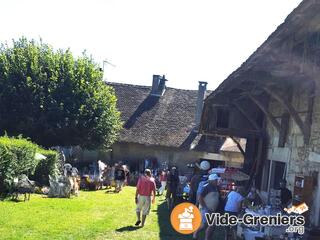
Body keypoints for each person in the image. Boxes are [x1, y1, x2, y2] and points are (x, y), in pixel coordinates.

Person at [193, 174, 220, 240]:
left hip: (212, 209)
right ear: (212, 180)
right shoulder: (207, 186)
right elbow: (200, 197)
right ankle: (195, 233)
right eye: (216, 180)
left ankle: (207, 238)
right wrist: (205, 207)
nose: (217, 181)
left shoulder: (215, 187)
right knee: (204, 225)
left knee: (212, 225)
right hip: (206, 209)